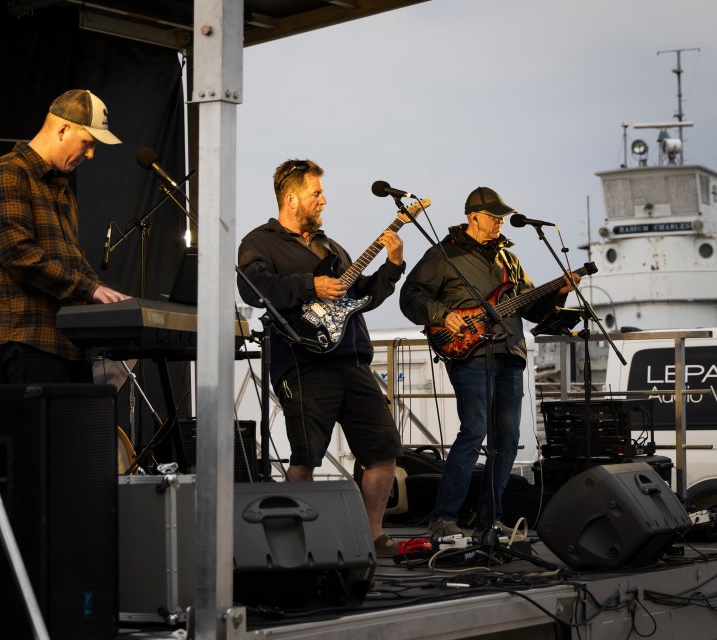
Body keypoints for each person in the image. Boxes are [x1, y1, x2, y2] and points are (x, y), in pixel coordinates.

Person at [237, 159, 406, 558]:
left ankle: (372, 535)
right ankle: (299, 540)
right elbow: (252, 287)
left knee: (383, 449)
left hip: (352, 358)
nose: (324, 200)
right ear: (292, 198)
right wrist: (309, 284)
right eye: (316, 193)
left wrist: (392, 266)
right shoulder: (259, 242)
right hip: (303, 362)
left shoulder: (331, 246)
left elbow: (360, 297)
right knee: (305, 455)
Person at [399, 186, 578, 541]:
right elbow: (410, 296)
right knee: (474, 431)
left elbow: (527, 307)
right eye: (493, 216)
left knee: (508, 439)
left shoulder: (508, 259)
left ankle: (489, 520)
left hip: (510, 353)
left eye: (501, 217)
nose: (499, 222)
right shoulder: (443, 254)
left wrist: (558, 293)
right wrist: (442, 314)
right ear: (473, 217)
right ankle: (443, 517)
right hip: (470, 352)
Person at [0, 89, 130, 384]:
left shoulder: (61, 190)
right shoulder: (7, 173)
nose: (91, 154)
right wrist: (90, 290)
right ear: (63, 129)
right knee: (43, 430)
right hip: (28, 340)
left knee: (80, 430)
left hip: (68, 345)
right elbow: (20, 256)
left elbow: (72, 261)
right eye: (88, 143)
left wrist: (113, 301)